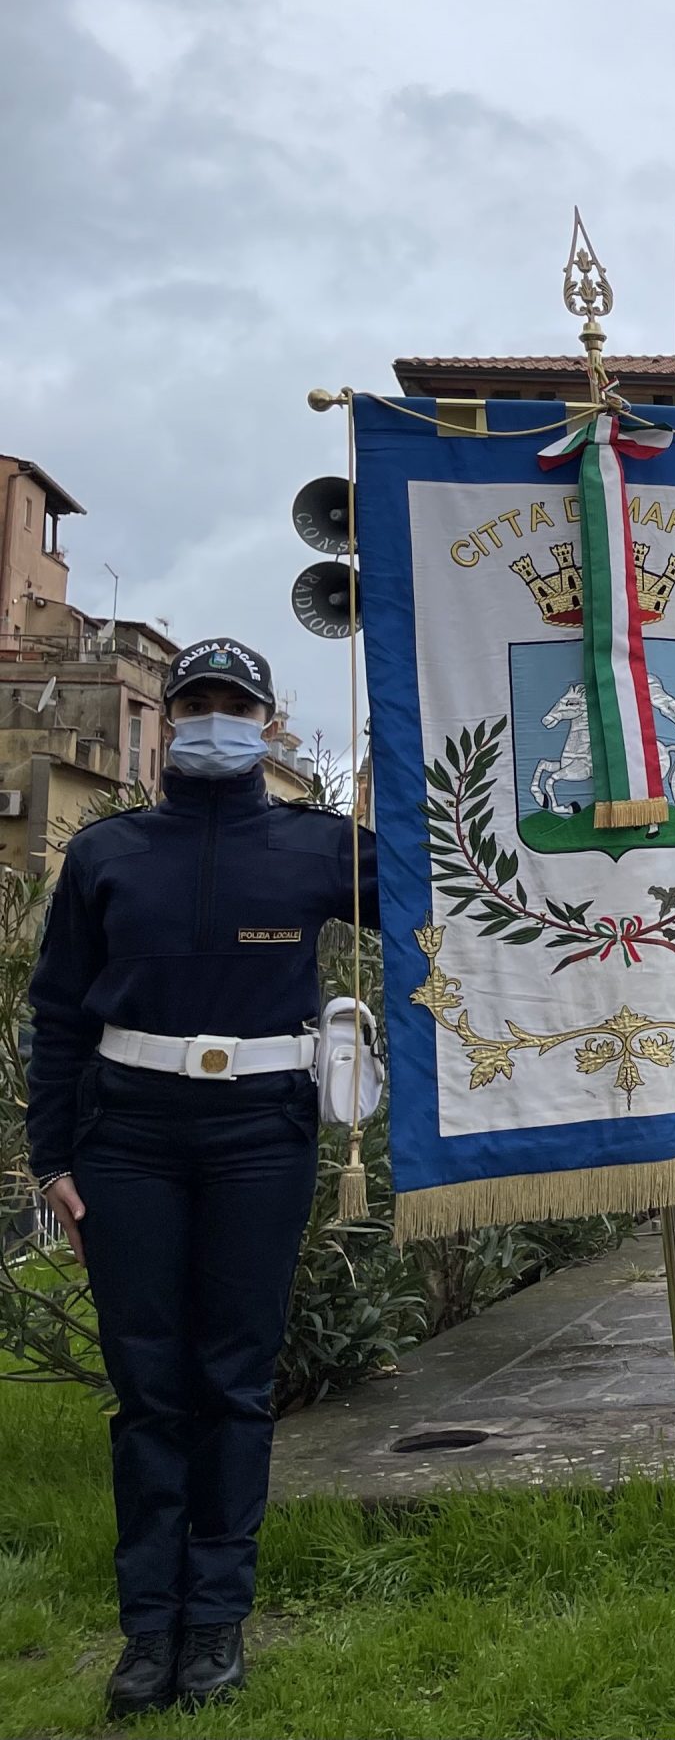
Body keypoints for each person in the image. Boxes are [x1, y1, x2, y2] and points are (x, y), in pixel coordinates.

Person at [27, 639, 377, 1718]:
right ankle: (148, 1629)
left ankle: (217, 1621)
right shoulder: (108, 853)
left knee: (231, 1377)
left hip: (259, 1134)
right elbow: (58, 1011)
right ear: (170, 722)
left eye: (237, 703)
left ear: (269, 724)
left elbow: (438, 897)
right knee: (149, 1388)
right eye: (198, 703)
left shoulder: (319, 847)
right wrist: (53, 1158)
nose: (215, 718)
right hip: (128, 1134)